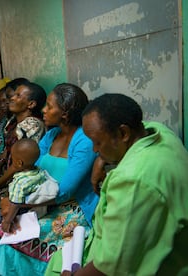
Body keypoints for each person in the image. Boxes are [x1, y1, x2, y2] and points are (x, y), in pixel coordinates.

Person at [55, 93, 188, 276]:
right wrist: (101, 160)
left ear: (123, 133)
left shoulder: (133, 182)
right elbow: (148, 124)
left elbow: (111, 267)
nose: (94, 150)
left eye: (97, 142)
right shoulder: (160, 133)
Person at [0, 83, 99, 276]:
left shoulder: (83, 141)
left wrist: (17, 204)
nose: (44, 110)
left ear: (65, 113)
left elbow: (66, 191)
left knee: (15, 241)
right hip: (40, 199)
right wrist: (12, 199)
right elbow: (29, 167)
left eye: (50, 106)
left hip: (71, 207)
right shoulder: (52, 135)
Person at [0, 80, 47, 194]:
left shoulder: (32, 125)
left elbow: (20, 164)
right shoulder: (13, 122)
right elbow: (7, 153)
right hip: (10, 175)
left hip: (22, 181)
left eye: (18, 96)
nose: (11, 98)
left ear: (31, 104)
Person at [0, 138, 58, 233]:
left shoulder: (20, 182)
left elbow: (15, 203)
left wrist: (7, 221)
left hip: (24, 210)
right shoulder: (39, 171)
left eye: (13, 158)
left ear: (19, 163)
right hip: (41, 208)